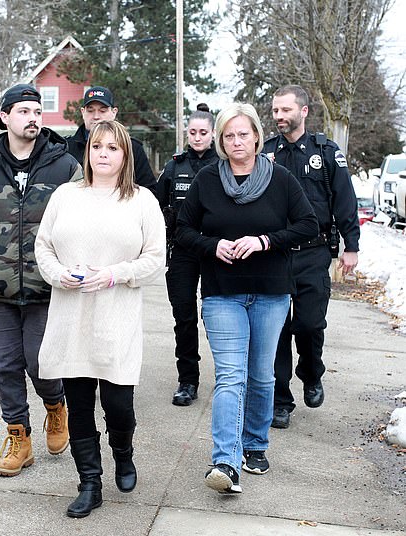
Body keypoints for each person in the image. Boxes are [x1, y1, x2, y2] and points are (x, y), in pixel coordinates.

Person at [176, 103, 318, 493]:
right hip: (223, 294)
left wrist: (265, 240)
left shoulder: (281, 179)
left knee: (261, 376)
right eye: (228, 136)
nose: (236, 141)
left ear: (257, 136)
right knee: (230, 376)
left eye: (243, 134)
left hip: (271, 293)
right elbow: (182, 229)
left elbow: (308, 225)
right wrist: (212, 245)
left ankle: (255, 444)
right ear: (220, 141)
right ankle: (224, 459)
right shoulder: (207, 180)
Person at [34, 120, 165, 517]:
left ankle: (123, 453)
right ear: (87, 152)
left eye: (113, 147)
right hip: (71, 315)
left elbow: (156, 259)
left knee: (118, 402)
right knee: (78, 404)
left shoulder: (141, 200)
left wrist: (114, 273)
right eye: (96, 147)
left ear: (125, 155)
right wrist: (60, 275)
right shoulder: (65, 195)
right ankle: (90, 482)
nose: (103, 154)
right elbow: (43, 247)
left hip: (117, 315)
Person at [0, 84, 81, 477]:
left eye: (37, 111)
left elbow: (82, 219)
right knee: (5, 366)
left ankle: (55, 406)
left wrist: (68, 267)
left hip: (48, 287)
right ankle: (19, 437)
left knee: (41, 362)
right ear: (5, 117)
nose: (33, 117)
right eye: (24, 111)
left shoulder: (65, 167)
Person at [264, 85, 360, 429]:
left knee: (309, 325)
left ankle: (310, 372)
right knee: (275, 331)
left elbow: (344, 200)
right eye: (275, 111)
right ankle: (280, 401)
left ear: (303, 111)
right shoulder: (267, 153)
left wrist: (351, 245)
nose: (279, 117)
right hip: (274, 255)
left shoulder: (325, 153)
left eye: (285, 110)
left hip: (314, 253)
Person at [156, 103, 219, 406]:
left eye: (203, 132)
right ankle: (187, 380)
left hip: (215, 251)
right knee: (184, 315)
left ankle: (228, 379)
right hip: (181, 250)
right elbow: (156, 206)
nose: (197, 137)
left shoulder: (223, 164)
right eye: (192, 132)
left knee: (218, 316)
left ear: (213, 134)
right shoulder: (174, 165)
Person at [66, 86, 157, 192]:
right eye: (90, 111)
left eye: (102, 111)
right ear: (82, 112)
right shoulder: (67, 148)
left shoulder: (132, 148)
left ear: (114, 112)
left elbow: (150, 191)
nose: (96, 116)